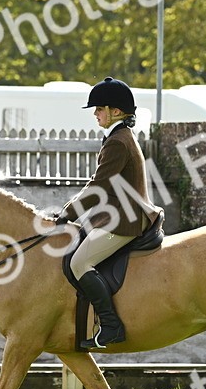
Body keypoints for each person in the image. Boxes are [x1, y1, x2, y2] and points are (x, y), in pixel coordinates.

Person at [58, 77, 161, 349]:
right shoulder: (118, 137)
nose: (95, 114)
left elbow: (99, 186)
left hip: (127, 220)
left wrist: (68, 214)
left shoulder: (118, 141)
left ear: (116, 111)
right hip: (116, 214)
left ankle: (111, 325)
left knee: (79, 263)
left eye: (99, 109)